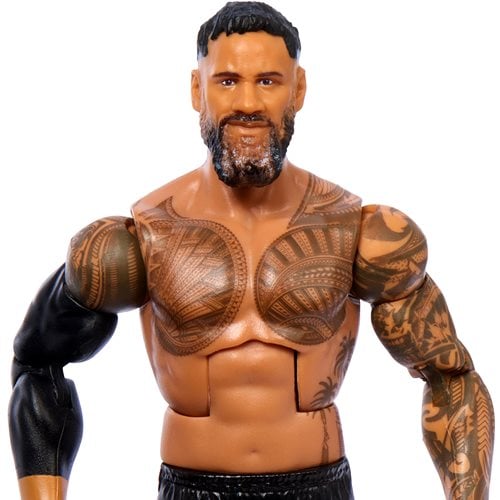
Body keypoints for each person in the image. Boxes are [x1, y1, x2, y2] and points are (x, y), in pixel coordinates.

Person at [9, 2, 494, 499]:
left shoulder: (360, 233)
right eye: (226, 81)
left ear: (298, 89)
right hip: (190, 488)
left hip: (319, 487)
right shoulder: (139, 238)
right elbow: (37, 365)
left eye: (267, 81)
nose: (248, 102)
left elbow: (450, 376)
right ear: (197, 90)